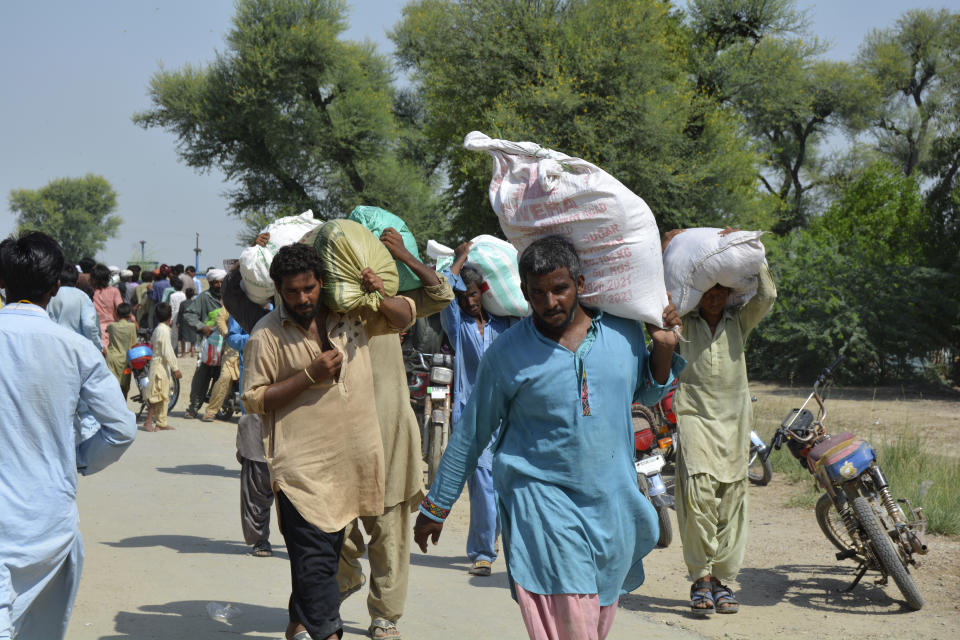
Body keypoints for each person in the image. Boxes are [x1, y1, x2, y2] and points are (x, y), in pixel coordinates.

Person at [414, 236, 684, 640]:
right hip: (541, 503)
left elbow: (644, 392)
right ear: (524, 292)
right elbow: (472, 433)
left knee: (593, 617)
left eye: (560, 289)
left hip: (611, 501)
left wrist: (662, 349)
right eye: (538, 292)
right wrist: (436, 505)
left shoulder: (624, 335)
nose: (550, 301)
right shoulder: (507, 353)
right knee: (574, 621)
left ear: (579, 282)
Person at [242, 243, 415, 640]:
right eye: (292, 291)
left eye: (309, 288)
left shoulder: (351, 317)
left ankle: (299, 622)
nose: (302, 299)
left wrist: (379, 292)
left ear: (323, 283)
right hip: (301, 471)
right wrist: (309, 375)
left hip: (352, 465)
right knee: (317, 561)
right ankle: (325, 631)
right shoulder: (266, 335)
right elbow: (254, 399)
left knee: (321, 558)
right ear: (278, 290)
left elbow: (404, 316)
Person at [0, 231, 137, 640]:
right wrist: (80, 458)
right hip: (46, 521)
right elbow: (120, 429)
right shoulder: (74, 350)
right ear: (55, 286)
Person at [336, 227, 455, 640]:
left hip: (388, 436)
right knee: (337, 528)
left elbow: (440, 294)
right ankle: (344, 580)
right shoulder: (322, 310)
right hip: (340, 441)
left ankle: (385, 615)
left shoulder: (386, 310)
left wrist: (402, 256)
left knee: (390, 533)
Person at [664, 227, 777, 615]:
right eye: (707, 291)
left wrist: (751, 251)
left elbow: (768, 295)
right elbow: (659, 320)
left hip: (733, 421)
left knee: (731, 499)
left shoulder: (738, 323)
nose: (713, 298)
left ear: (728, 294)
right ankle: (700, 578)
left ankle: (723, 581)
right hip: (694, 416)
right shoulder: (685, 324)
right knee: (697, 496)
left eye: (719, 291)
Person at [438, 241, 513, 578]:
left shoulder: (505, 326)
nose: (469, 301)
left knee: (505, 482)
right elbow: (441, 286)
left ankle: (502, 542)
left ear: (484, 292)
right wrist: (460, 260)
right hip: (471, 412)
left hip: (508, 414)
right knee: (482, 483)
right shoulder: (458, 327)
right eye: (464, 296)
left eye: (474, 294)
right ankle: (483, 551)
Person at [225, 313, 275, 557]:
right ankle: (260, 539)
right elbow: (232, 338)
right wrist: (256, 339)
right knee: (256, 480)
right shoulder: (242, 312)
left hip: (293, 413)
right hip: (254, 407)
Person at [182, 268, 226, 418]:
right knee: (201, 377)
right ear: (210, 282)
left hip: (227, 345)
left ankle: (216, 407)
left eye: (222, 282)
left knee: (223, 378)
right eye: (216, 283)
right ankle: (193, 408)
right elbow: (189, 314)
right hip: (209, 345)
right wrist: (202, 327)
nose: (220, 285)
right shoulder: (204, 298)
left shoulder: (231, 297)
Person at [143, 302, 182, 432]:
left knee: (164, 394)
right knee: (156, 394)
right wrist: (175, 368)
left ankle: (161, 422)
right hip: (159, 365)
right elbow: (167, 351)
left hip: (162, 366)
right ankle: (148, 422)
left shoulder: (160, 329)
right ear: (169, 316)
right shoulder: (163, 331)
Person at [47, 262, 102, 351]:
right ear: (77, 281)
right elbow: (89, 325)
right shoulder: (83, 297)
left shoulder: (50, 296)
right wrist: (98, 346)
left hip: (54, 347)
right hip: (78, 349)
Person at [202, 307, 240, 422]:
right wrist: (226, 333)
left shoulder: (258, 301)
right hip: (232, 350)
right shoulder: (232, 302)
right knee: (225, 377)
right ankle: (211, 411)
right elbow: (220, 319)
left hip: (252, 348)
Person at [104, 302, 138, 399]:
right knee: (124, 387)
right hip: (125, 361)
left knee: (112, 386)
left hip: (112, 360)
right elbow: (134, 344)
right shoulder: (132, 327)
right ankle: (123, 409)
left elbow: (107, 331)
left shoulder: (112, 326)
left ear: (117, 314)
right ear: (129, 315)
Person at [91, 263, 123, 351]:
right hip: (113, 330)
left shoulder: (91, 293)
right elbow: (121, 309)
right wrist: (133, 320)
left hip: (96, 331)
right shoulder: (114, 291)